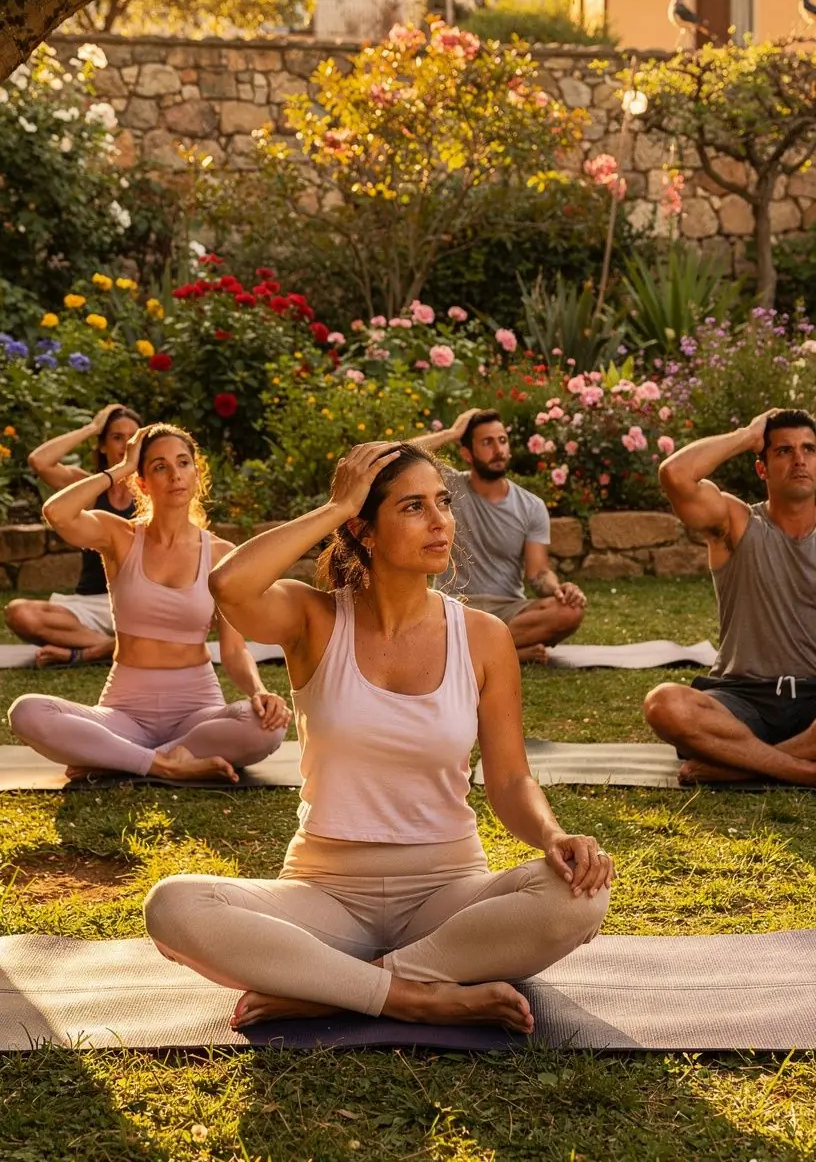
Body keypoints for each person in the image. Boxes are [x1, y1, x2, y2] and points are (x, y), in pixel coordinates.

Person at [143, 440, 613, 1035]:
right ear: (364, 530)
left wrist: (553, 834)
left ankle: (335, 988)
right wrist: (338, 507)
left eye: (443, 502)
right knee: (173, 905)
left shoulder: (484, 636)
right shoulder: (312, 618)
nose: (440, 521)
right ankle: (414, 996)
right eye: (413, 507)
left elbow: (511, 777)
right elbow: (229, 584)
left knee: (581, 893)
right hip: (326, 892)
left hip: (447, 892)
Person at [8, 423, 291, 783]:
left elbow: (234, 651)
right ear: (142, 483)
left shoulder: (221, 554)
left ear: (196, 474)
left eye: (183, 463)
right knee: (26, 712)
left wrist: (260, 692)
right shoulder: (120, 536)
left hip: (196, 711)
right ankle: (165, 763)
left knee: (268, 726)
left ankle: (117, 758)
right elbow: (57, 513)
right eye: (159, 466)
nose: (175, 475)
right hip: (124, 712)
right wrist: (121, 468)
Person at [644, 408, 816, 786]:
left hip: (812, 702)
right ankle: (802, 770)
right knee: (664, 704)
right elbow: (675, 475)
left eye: (809, 449)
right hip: (743, 700)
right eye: (784, 451)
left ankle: (738, 766)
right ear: (762, 469)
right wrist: (747, 435)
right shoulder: (736, 523)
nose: (799, 459)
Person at [416, 408, 586, 663]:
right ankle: (508, 651)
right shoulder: (447, 487)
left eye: (502, 440)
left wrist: (560, 589)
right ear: (467, 454)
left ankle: (471, 651)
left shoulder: (532, 506)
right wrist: (452, 433)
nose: (498, 450)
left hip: (509, 610)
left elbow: (538, 573)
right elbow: (398, 456)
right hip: (455, 607)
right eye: (487, 442)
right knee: (430, 624)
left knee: (570, 611)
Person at [5, 403, 141, 666]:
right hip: (90, 606)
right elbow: (39, 461)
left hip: (139, 603)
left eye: (132, 438)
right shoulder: (87, 489)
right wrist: (91, 428)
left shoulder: (154, 492)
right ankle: (113, 648)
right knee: (19, 613)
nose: (125, 445)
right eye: (116, 437)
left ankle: (85, 652)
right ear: (102, 446)